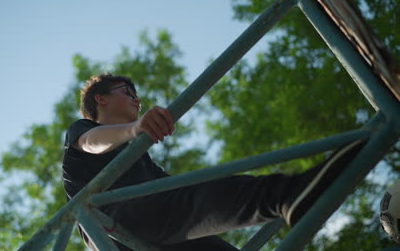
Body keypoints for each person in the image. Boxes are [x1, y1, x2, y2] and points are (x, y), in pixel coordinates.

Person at [62, 73, 367, 251]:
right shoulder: (82, 131)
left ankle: (291, 194)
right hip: (117, 232)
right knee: (193, 198)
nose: (136, 100)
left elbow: (177, 193)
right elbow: (92, 142)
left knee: (203, 219)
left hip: (153, 232)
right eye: (127, 93)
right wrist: (135, 128)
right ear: (100, 100)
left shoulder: (140, 160)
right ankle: (286, 195)